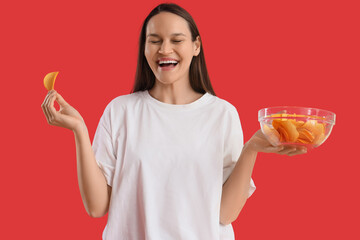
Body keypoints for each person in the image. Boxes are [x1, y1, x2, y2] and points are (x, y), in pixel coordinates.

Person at [41, 3, 307, 240]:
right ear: (144, 47)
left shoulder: (222, 114)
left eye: (176, 40)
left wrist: (251, 150)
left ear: (196, 46)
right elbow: (96, 207)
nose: (164, 49)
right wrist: (79, 130)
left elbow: (225, 214)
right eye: (154, 40)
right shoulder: (120, 111)